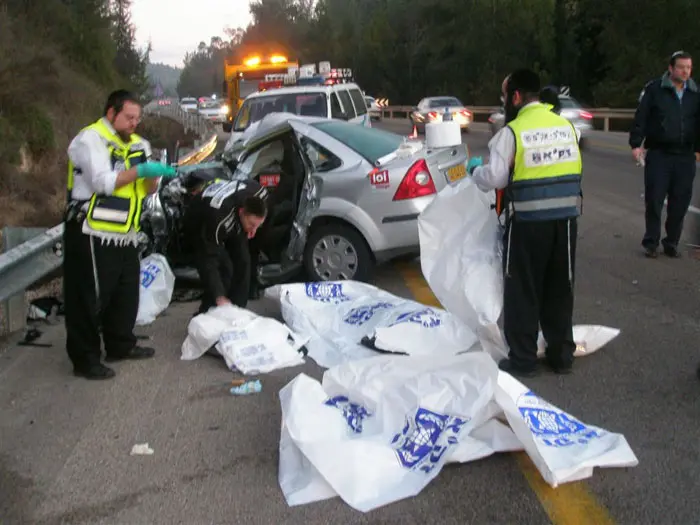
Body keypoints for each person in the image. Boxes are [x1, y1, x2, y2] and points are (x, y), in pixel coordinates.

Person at [467, 69, 583, 378]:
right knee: (560, 289)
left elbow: (496, 178)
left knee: (523, 291)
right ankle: (561, 356)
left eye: (505, 96)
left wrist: (475, 171)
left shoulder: (512, 132)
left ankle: (523, 360)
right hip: (566, 223)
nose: (504, 101)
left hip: (529, 224)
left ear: (516, 96)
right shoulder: (566, 127)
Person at [64, 89, 177, 380]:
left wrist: (154, 174)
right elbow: (103, 183)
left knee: (125, 293)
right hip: (92, 230)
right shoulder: (90, 139)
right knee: (90, 297)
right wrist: (141, 170)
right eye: (128, 117)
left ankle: (120, 344)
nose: (133, 124)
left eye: (137, 119)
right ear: (111, 113)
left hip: (125, 232)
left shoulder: (140, 143)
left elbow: (147, 189)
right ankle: (85, 358)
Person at [629, 50, 700, 258]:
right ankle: (651, 241)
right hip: (660, 153)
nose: (685, 71)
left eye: (688, 67)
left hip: (685, 155)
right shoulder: (655, 90)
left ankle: (671, 242)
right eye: (681, 67)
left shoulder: (695, 93)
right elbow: (641, 116)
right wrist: (636, 144)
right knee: (655, 199)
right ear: (671, 69)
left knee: (680, 201)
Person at [184, 178, 268, 315]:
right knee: (225, 269)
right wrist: (219, 296)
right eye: (252, 225)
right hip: (200, 222)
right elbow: (209, 261)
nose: (254, 230)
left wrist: (253, 228)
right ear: (241, 212)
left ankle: (237, 312)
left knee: (244, 262)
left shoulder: (258, 192)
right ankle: (206, 313)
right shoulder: (218, 219)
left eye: (258, 225)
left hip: (233, 215)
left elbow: (258, 217)